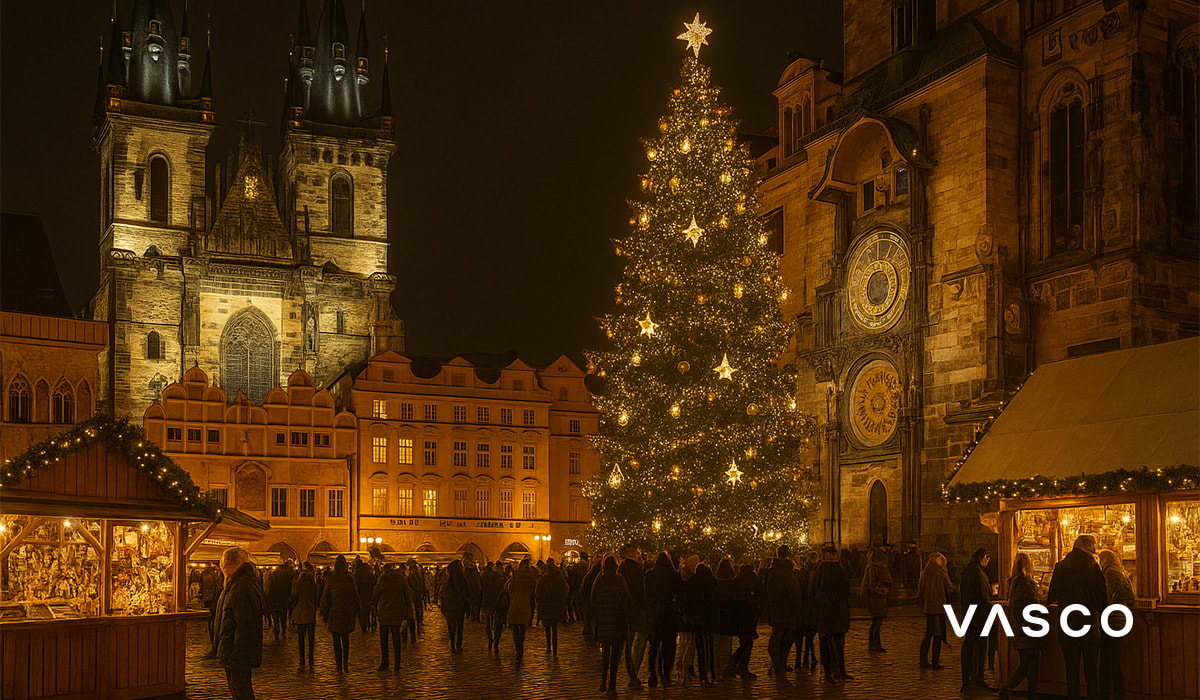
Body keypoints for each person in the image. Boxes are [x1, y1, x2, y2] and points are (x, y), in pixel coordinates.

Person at [1047, 535, 1107, 700]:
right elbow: (1102, 600)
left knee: (1071, 668)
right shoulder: (1093, 567)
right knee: (1091, 670)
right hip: (1088, 623)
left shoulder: (1060, 567)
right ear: (1087, 545)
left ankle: (1072, 696)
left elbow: (1051, 596)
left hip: (1067, 622)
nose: (1096, 547)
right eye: (1094, 544)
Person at [211, 547, 263, 700]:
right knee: (238, 690)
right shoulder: (236, 583)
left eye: (222, 562)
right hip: (233, 650)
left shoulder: (240, 587)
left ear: (228, 563)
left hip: (237, 653)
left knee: (241, 691)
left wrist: (238, 655)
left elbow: (245, 625)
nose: (221, 566)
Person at [1000, 552, 1044, 700]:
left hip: (1018, 628)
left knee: (1028, 663)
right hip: (1029, 629)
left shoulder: (1013, 582)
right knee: (1028, 664)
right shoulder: (1027, 582)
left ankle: (1030, 692)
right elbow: (1035, 603)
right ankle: (1008, 687)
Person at [591, 555, 632, 695]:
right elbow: (626, 599)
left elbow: (593, 599)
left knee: (605, 654)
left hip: (603, 621)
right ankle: (612, 685)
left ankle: (603, 681)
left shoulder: (600, 579)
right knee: (615, 656)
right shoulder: (619, 579)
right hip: (618, 621)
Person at [1098, 549, 1134, 700]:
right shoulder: (1120, 572)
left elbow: (1108, 597)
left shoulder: (1111, 573)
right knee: (1113, 657)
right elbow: (1130, 598)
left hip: (1112, 620)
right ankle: (1117, 691)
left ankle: (1110, 692)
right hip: (1120, 619)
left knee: (1108, 658)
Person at [813, 545, 851, 684]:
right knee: (829, 643)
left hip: (832, 612)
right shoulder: (825, 570)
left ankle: (839, 671)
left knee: (836, 643)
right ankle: (831, 672)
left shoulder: (829, 570)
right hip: (829, 612)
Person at [959, 547, 994, 692]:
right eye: (987, 558)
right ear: (982, 558)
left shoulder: (969, 570)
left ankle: (970, 678)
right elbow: (981, 595)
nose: (988, 562)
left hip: (971, 614)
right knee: (978, 647)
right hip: (978, 615)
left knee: (970, 645)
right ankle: (976, 678)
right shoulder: (978, 573)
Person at [643, 551, 681, 687]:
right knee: (668, 646)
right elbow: (678, 595)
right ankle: (666, 673)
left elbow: (647, 596)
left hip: (655, 614)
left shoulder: (650, 575)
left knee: (653, 645)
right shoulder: (674, 575)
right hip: (669, 615)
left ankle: (652, 672)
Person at [319, 555, 361, 672]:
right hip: (346, 612)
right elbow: (355, 595)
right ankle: (345, 663)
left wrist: (324, 612)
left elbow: (326, 598)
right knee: (345, 639)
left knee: (337, 640)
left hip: (336, 612)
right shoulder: (349, 579)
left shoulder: (332, 580)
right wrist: (358, 609)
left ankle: (339, 664)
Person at [764, 544, 801, 678]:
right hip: (785, 608)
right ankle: (778, 662)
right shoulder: (784, 571)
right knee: (782, 636)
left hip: (781, 609)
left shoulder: (776, 571)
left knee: (781, 636)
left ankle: (779, 662)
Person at [680, 561, 719, 687]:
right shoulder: (711, 583)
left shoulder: (692, 583)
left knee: (700, 647)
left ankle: (701, 675)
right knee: (709, 648)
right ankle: (710, 674)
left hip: (696, 620)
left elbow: (686, 601)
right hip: (708, 619)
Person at [373, 563, 414, 672]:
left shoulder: (382, 578)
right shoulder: (400, 578)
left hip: (384, 612)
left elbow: (376, 594)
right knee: (396, 639)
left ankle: (385, 662)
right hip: (397, 611)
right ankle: (397, 663)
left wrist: (373, 605)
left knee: (384, 639)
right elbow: (407, 594)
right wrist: (407, 612)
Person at [617, 545, 648, 688]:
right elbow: (639, 592)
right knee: (636, 643)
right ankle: (633, 675)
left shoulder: (621, 569)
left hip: (625, 611)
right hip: (635, 611)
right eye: (637, 552)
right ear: (630, 554)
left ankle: (632, 674)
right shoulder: (634, 570)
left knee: (629, 644)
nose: (639, 555)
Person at [918, 551, 953, 670]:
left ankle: (923, 660)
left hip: (929, 607)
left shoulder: (925, 572)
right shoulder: (940, 571)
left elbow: (920, 590)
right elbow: (948, 586)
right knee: (938, 635)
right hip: (939, 607)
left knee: (928, 634)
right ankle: (935, 661)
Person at [506, 558, 537, 662]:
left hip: (515, 604)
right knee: (521, 626)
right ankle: (520, 647)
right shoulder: (528, 578)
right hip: (523, 604)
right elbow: (534, 585)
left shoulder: (515, 576)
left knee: (516, 627)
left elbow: (508, 587)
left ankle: (518, 647)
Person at [535, 558, 569, 654]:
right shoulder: (559, 577)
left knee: (547, 629)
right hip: (556, 605)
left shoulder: (543, 578)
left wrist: (539, 603)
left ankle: (548, 647)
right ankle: (555, 648)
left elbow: (537, 592)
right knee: (554, 628)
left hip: (546, 606)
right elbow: (565, 589)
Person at [862, 549, 893, 652]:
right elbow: (872, 584)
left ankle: (875, 645)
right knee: (876, 622)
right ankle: (874, 645)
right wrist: (882, 590)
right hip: (876, 598)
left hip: (880, 598)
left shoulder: (879, 568)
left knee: (878, 622)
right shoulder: (873, 569)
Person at [290, 563, 319, 669]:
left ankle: (302, 658)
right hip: (310, 612)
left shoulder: (298, 585)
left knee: (301, 638)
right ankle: (311, 656)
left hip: (300, 613)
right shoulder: (312, 585)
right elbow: (316, 598)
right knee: (311, 638)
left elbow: (293, 598)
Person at [439, 559, 469, 653]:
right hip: (458, 605)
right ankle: (458, 645)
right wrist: (466, 601)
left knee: (451, 627)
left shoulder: (447, 579)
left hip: (449, 606)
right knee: (459, 626)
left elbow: (441, 591)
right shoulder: (460, 578)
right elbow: (465, 590)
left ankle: (452, 645)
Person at [479, 562, 506, 653]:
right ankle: (496, 643)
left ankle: (490, 640)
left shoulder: (483, 576)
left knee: (488, 623)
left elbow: (480, 590)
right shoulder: (498, 577)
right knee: (497, 624)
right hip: (497, 603)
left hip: (487, 602)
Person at [353, 558, 377, 634]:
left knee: (361, 612)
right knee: (366, 611)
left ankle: (363, 625)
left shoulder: (358, 574)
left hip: (360, 596)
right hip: (368, 596)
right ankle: (367, 623)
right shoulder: (369, 575)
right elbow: (374, 582)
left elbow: (355, 586)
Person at [406, 560, 426, 640]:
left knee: (412, 613)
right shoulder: (418, 574)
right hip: (417, 595)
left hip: (414, 595)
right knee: (417, 611)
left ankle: (413, 632)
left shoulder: (412, 575)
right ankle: (416, 629)